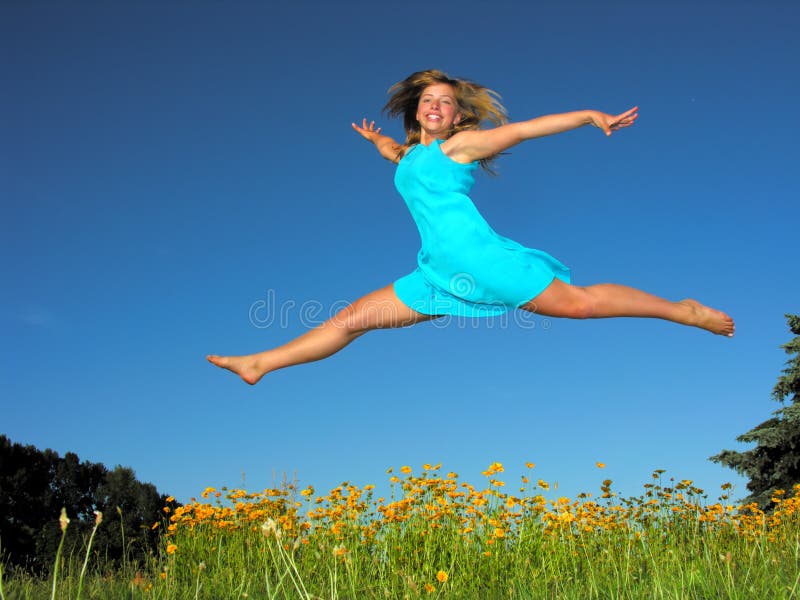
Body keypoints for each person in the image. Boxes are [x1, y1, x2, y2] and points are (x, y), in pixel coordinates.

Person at [208, 69, 734, 385]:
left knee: (581, 304)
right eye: (428, 100)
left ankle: (682, 311)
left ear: (457, 117)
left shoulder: (462, 146)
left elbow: (524, 130)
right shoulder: (410, 154)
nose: (436, 106)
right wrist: (376, 143)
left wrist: (588, 115)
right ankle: (260, 363)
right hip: (436, 273)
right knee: (352, 320)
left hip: (482, 259)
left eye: (446, 102)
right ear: (417, 112)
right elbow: (396, 154)